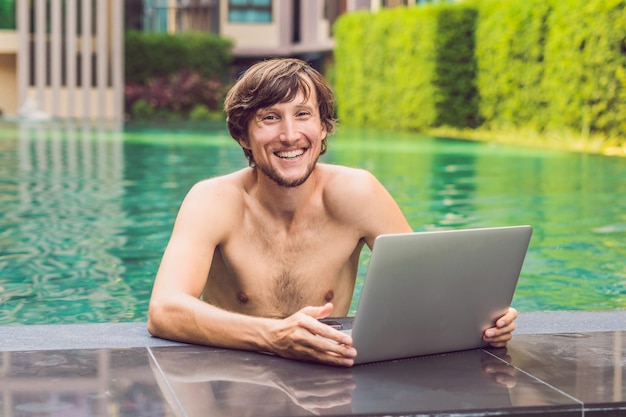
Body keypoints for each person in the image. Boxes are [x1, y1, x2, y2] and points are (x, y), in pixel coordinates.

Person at [147, 58, 518, 367]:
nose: (290, 135)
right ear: (243, 135)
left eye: (303, 114)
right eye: (269, 118)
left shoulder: (356, 193)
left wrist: (485, 322)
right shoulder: (213, 200)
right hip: (240, 377)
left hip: (332, 377)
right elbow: (165, 309)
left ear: (323, 128)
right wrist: (273, 337)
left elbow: (428, 289)